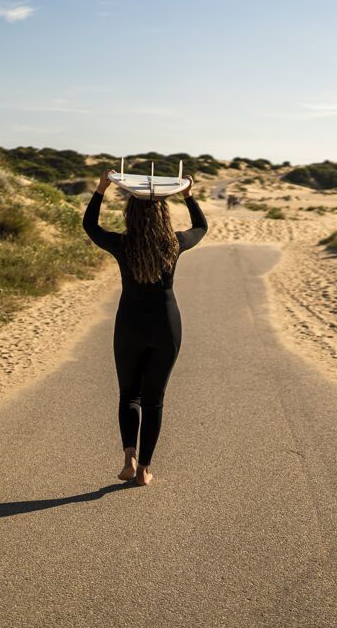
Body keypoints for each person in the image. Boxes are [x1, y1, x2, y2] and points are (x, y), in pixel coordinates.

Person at [82, 168, 208, 486]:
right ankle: (144, 470)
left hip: (130, 326)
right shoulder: (175, 244)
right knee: (155, 399)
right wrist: (188, 194)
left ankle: (129, 458)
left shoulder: (122, 245)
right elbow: (201, 227)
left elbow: (90, 226)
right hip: (166, 326)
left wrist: (101, 188)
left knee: (129, 395)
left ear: (131, 214)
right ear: (163, 215)